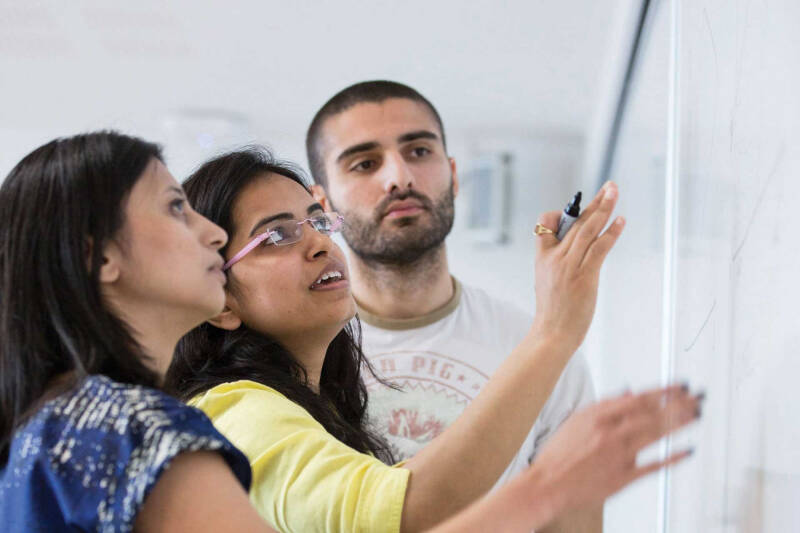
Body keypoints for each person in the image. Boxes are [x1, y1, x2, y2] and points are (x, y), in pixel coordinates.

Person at [166, 147, 702, 533]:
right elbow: (398, 515)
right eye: (277, 235)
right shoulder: (234, 411)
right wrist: (554, 332)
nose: (317, 245)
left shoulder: (318, 408)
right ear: (220, 300)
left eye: (317, 223)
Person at [304, 79, 600, 532]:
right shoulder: (292, 359)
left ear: (454, 174)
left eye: (419, 152)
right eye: (365, 163)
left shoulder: (543, 349)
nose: (398, 177)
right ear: (322, 204)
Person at [0, 132, 277, 532]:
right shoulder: (129, 428)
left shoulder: (33, 436)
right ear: (97, 255)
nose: (215, 235)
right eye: (176, 207)